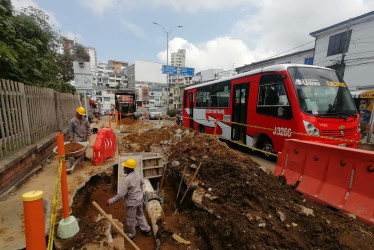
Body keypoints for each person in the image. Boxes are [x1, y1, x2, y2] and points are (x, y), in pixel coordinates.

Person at [106, 159, 151, 241]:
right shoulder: (137, 174)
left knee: (130, 219)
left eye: (124, 168)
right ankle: (146, 230)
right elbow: (141, 183)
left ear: (128, 169)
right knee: (140, 215)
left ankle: (131, 235)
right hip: (139, 200)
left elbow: (120, 195)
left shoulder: (127, 180)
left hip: (132, 203)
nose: (123, 169)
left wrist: (110, 201)